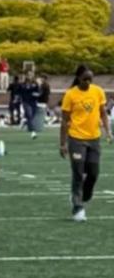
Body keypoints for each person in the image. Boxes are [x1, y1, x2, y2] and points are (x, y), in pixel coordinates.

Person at [60, 65, 111, 222]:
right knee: (78, 172)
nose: (88, 82)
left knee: (93, 173)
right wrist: (63, 143)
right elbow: (64, 120)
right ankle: (77, 206)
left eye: (91, 78)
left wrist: (108, 132)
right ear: (79, 78)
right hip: (76, 138)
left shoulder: (98, 92)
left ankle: (85, 194)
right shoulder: (70, 95)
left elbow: (103, 114)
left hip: (94, 139)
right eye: (85, 78)